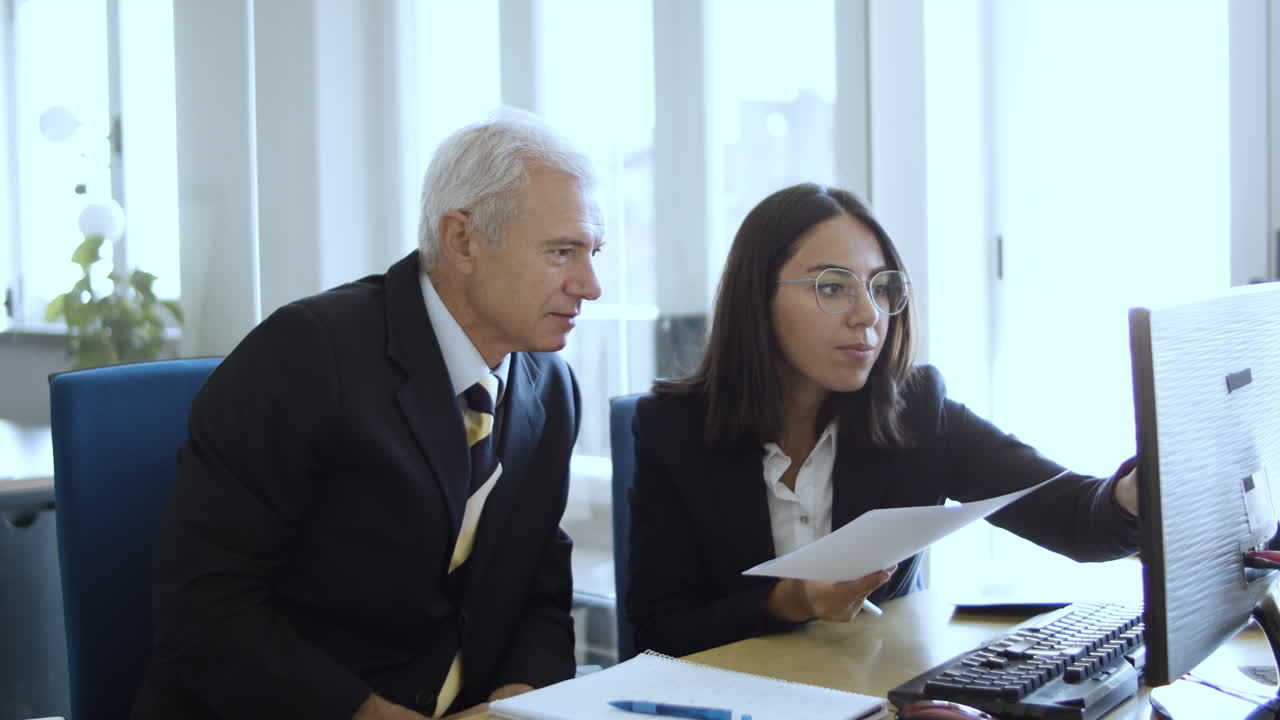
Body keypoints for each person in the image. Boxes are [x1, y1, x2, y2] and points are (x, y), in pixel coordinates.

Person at [131, 110, 604, 720]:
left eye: (594, 251)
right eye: (562, 252)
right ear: (462, 240)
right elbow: (205, 606)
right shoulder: (307, 353)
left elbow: (539, 581)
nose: (590, 285)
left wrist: (520, 700)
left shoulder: (551, 386)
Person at [626, 183, 1139, 658]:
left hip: (875, 692)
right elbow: (659, 632)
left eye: (882, 288)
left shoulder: (917, 410)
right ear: (757, 297)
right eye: (832, 287)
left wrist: (1140, 488)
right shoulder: (672, 430)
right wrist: (790, 601)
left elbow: (1077, 518)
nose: (869, 314)